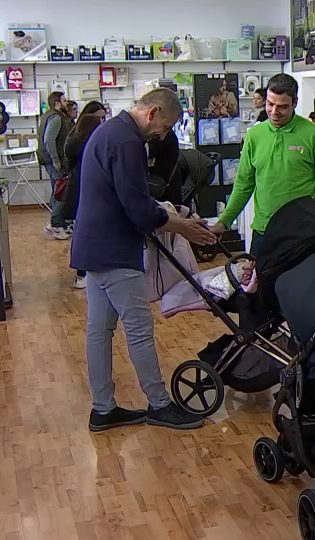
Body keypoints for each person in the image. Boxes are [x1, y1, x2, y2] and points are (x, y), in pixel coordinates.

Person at [70, 88, 216, 432]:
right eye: (165, 127)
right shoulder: (127, 142)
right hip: (114, 249)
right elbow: (137, 207)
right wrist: (183, 227)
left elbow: (130, 198)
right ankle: (159, 405)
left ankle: (103, 408)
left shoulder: (108, 131)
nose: (163, 135)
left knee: (100, 330)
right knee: (138, 328)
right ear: (152, 113)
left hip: (94, 246)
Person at [212, 74, 315, 255]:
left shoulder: (314, 134)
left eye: (282, 106)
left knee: (298, 284)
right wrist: (224, 222)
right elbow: (243, 185)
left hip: (301, 234)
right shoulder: (254, 135)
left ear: (295, 103)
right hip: (264, 231)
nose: (274, 112)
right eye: (270, 104)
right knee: (259, 283)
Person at [62, 101, 107, 290]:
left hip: (76, 192)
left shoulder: (74, 140)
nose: (103, 121)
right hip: (86, 194)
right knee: (88, 234)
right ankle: (84, 273)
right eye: (100, 118)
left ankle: (82, 273)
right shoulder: (92, 145)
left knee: (81, 234)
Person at [38, 91, 74, 239]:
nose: (67, 103)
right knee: (61, 193)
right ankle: (56, 225)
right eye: (64, 101)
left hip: (50, 160)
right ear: (57, 103)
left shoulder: (49, 115)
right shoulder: (56, 118)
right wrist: (56, 160)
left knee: (57, 191)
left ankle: (57, 223)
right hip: (54, 161)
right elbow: (49, 140)